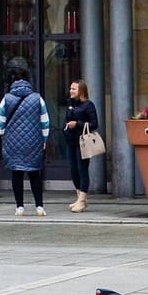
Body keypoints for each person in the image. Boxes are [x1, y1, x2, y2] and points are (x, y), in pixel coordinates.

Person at [0, 70, 50, 217]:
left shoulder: (6, 99)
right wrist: (44, 140)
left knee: (17, 173)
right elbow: (45, 121)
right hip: (34, 142)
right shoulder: (37, 98)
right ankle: (39, 206)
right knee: (34, 173)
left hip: (12, 142)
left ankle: (19, 206)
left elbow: (0, 122)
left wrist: (4, 137)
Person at [61, 80, 100, 213]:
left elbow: (94, 124)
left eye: (74, 89)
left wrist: (77, 124)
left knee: (82, 169)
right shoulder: (70, 104)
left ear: (81, 91)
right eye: (70, 88)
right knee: (73, 170)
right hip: (71, 141)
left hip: (82, 142)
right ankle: (79, 198)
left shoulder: (88, 105)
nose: (71, 91)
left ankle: (82, 200)